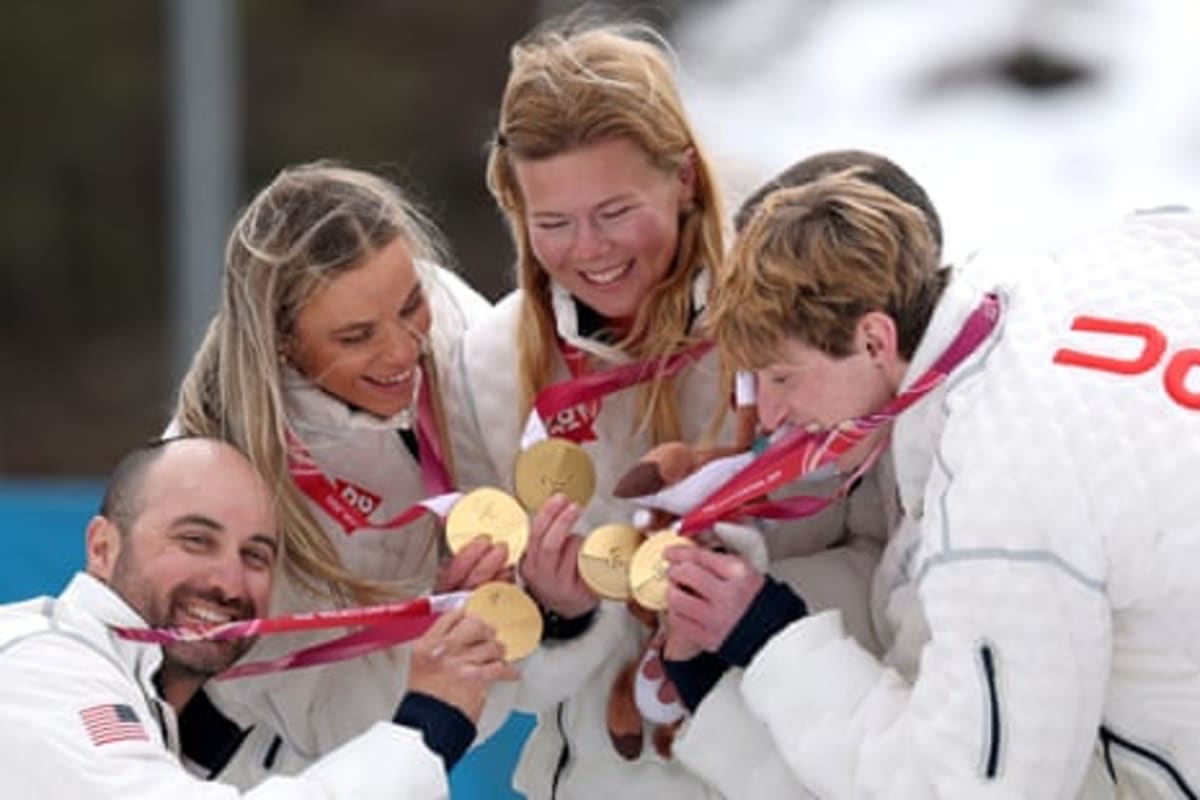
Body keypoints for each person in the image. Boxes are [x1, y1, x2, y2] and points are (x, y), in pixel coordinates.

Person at [447, 21, 888, 799]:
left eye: (615, 211)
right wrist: (557, 616)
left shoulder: (794, 323)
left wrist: (749, 604)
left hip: (785, 771)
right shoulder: (491, 361)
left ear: (683, 176)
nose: (589, 250)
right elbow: (487, 659)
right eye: (553, 223)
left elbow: (888, 561)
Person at [667, 163, 1200, 797]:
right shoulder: (1128, 254)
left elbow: (970, 789)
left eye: (782, 376)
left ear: (873, 338)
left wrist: (765, 638)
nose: (775, 415)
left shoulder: (1000, 496)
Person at [170, 162, 512, 786]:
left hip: (409, 750)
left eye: (411, 305)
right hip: (254, 772)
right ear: (283, 342)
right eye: (356, 337)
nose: (403, 349)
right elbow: (330, 722)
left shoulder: (458, 322)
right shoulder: (217, 469)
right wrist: (438, 637)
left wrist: (508, 596)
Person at [0, 436, 517, 798]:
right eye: (195, 540)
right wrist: (427, 726)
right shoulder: (43, 668)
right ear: (103, 547)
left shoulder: (157, 708)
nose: (227, 582)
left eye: (255, 555)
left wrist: (450, 645)